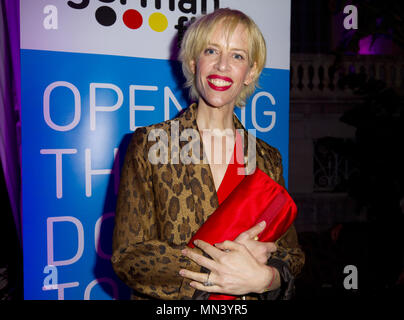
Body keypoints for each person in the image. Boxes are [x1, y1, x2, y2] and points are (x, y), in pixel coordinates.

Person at [111, 8, 305, 300]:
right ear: (193, 61)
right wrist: (219, 268)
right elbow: (128, 257)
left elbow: (291, 254)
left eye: (237, 56)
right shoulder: (152, 144)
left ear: (250, 72)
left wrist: (266, 278)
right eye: (211, 51)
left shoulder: (266, 158)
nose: (222, 65)